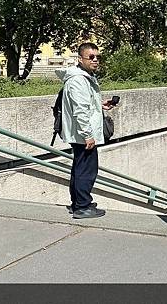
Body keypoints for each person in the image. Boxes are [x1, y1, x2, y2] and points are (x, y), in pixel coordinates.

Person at [55, 42, 115, 219]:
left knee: (79, 167)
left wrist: (100, 104)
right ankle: (82, 206)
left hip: (79, 133)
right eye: (91, 57)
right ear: (80, 59)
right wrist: (88, 135)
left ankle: (78, 202)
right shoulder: (79, 80)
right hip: (82, 134)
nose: (95, 60)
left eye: (97, 57)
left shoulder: (83, 78)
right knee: (87, 170)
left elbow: (84, 105)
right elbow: (80, 111)